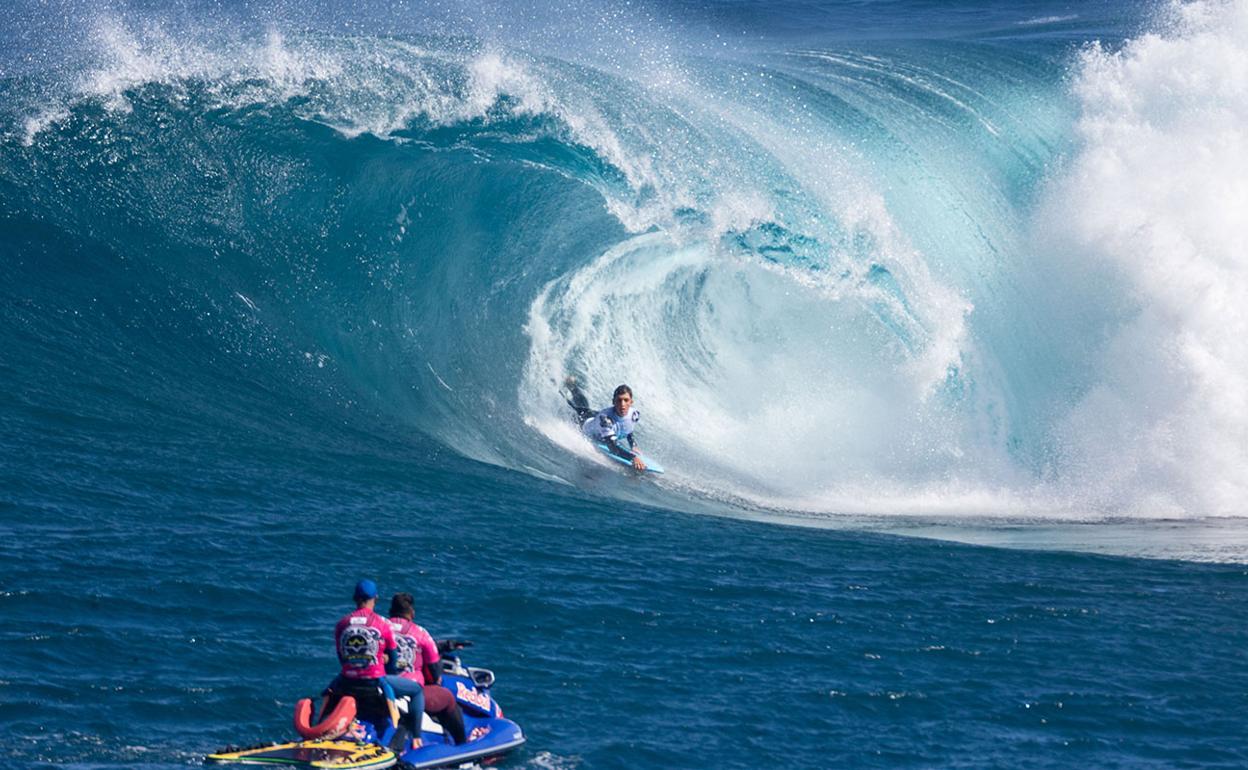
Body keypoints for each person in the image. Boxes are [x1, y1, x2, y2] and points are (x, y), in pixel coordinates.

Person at [385, 592, 468, 745]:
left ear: (391, 610)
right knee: (449, 698)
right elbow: (434, 667)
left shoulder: (380, 627)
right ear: (412, 613)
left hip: (380, 687)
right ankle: (463, 746)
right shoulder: (420, 633)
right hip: (409, 692)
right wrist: (437, 678)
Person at [321, 579, 400, 736]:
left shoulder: (341, 624)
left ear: (355, 599)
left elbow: (342, 658)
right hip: (374, 684)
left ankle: (320, 723)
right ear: (375, 599)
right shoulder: (383, 624)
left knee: (327, 692)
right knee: (401, 692)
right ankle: (398, 734)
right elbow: (393, 660)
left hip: (347, 683)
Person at [581, 383, 646, 471]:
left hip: (598, 420)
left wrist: (633, 445)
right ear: (613, 402)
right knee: (577, 406)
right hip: (585, 421)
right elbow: (612, 447)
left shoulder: (634, 414)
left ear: (631, 402)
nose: (622, 404)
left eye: (626, 400)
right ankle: (569, 386)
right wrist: (633, 458)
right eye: (619, 400)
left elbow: (629, 429)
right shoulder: (605, 419)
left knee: (586, 406)